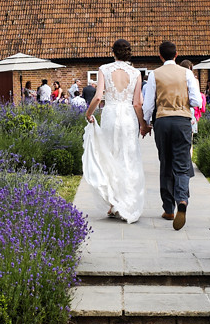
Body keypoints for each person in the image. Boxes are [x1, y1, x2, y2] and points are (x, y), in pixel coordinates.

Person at [82, 39, 146, 224]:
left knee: (109, 156)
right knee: (128, 158)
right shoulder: (135, 73)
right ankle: (125, 201)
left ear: (114, 52)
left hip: (110, 115)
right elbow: (137, 103)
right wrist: (142, 124)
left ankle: (112, 203)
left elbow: (98, 96)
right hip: (128, 117)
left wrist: (89, 113)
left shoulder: (104, 69)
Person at [141, 41, 202, 231]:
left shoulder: (154, 74)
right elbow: (196, 100)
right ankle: (182, 199)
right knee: (182, 164)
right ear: (176, 55)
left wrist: (146, 123)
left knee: (165, 162)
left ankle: (168, 209)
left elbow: (149, 103)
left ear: (160, 56)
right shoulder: (186, 74)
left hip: (162, 121)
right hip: (182, 121)